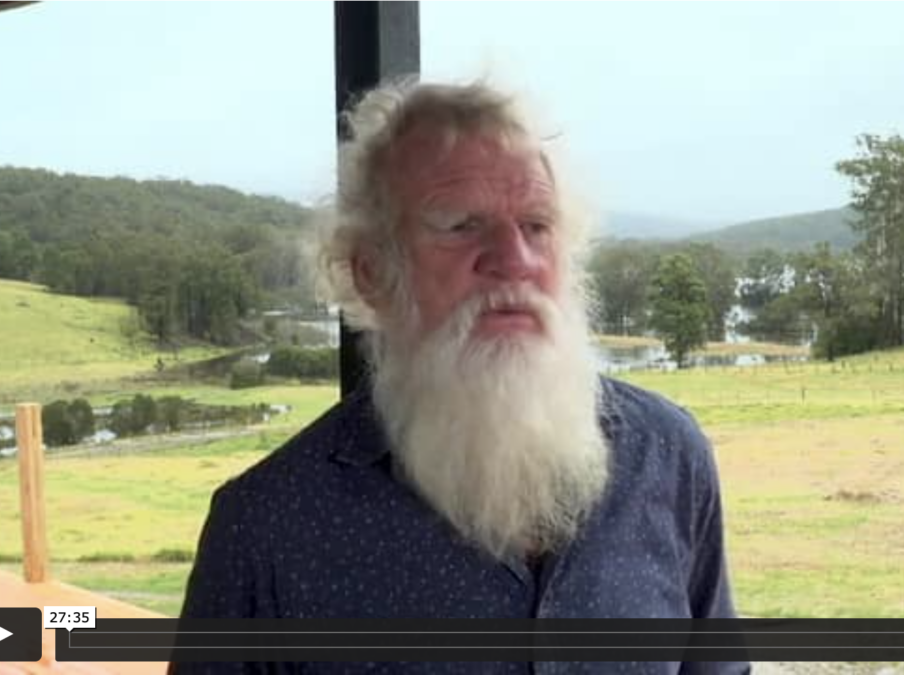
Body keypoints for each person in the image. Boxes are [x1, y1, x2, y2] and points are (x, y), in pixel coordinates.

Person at [176, 78, 749, 675]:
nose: (515, 260)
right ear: (371, 272)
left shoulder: (666, 455)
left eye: (537, 225)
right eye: (459, 225)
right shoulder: (268, 528)